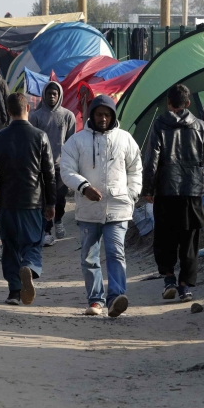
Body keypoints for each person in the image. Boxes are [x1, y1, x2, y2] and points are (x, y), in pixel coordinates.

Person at [61, 95, 142, 317]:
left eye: (107, 114)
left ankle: (116, 298)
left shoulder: (125, 139)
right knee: (89, 257)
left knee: (116, 253)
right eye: (99, 114)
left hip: (118, 208)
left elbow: (136, 168)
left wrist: (132, 194)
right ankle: (95, 300)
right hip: (88, 210)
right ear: (92, 115)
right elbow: (66, 169)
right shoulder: (77, 141)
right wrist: (83, 187)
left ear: (113, 115)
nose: (103, 118)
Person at [142, 84, 204, 303]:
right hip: (192, 191)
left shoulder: (159, 125)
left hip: (166, 191)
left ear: (168, 103)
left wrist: (148, 189)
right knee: (190, 239)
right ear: (187, 104)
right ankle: (185, 287)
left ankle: (168, 278)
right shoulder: (201, 126)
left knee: (164, 237)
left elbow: (151, 161)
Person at [0, 93, 56, 306]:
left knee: (10, 247)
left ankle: (14, 292)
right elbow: (49, 174)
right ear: (28, 109)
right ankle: (30, 266)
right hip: (32, 202)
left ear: (8, 112)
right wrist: (50, 203)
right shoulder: (40, 136)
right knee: (33, 243)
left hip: (6, 202)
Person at [29, 81, 76, 246]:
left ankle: (58, 220)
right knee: (45, 198)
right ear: (44, 95)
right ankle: (47, 230)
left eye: (54, 94)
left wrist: (71, 163)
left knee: (60, 197)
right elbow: (32, 141)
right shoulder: (35, 116)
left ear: (59, 95)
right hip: (41, 166)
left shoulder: (68, 116)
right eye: (49, 93)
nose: (52, 96)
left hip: (61, 164)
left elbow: (71, 141)